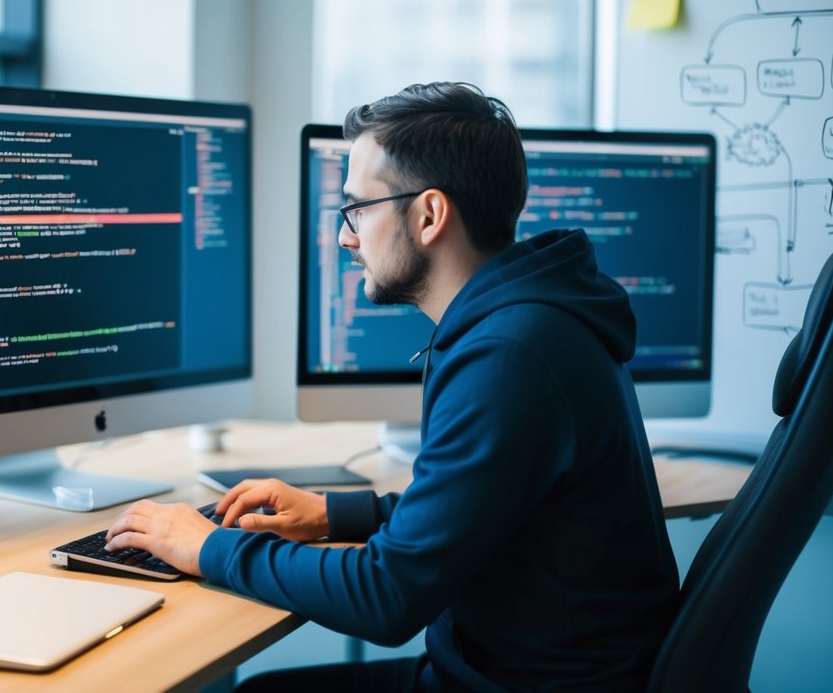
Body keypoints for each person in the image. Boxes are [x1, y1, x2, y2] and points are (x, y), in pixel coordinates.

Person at [105, 81, 679, 691]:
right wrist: (332, 514)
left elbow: (387, 596)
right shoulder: (531, 322)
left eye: (359, 209)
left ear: (430, 215)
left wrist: (205, 548)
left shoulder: (510, 356)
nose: (346, 236)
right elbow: (483, 510)